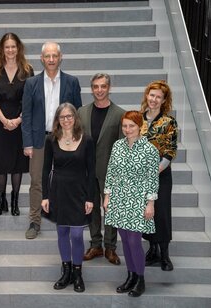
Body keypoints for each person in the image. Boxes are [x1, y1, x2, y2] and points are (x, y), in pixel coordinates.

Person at [21, 41, 82, 239]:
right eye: (47, 56)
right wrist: (27, 143)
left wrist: (77, 139)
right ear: (42, 59)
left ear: (60, 57)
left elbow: (78, 113)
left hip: (64, 138)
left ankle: (66, 217)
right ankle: (34, 221)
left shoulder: (72, 82)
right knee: (37, 181)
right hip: (40, 139)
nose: (51, 59)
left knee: (67, 179)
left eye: (54, 55)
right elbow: (27, 115)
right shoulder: (32, 83)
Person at [104, 110, 159, 297]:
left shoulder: (150, 150)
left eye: (132, 126)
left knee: (134, 240)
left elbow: (153, 179)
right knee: (125, 241)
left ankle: (140, 279)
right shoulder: (117, 146)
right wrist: (107, 196)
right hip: (119, 199)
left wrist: (150, 203)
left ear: (140, 126)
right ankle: (131, 276)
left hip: (139, 200)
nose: (128, 129)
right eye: (125, 126)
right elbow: (111, 172)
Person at [41, 103, 95, 293]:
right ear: (58, 120)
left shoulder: (87, 140)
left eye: (69, 116)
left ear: (75, 118)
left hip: (79, 191)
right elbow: (46, 169)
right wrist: (45, 196)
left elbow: (91, 170)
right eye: (62, 117)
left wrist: (90, 198)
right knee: (62, 232)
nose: (66, 120)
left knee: (77, 234)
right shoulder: (51, 139)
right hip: (58, 191)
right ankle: (66, 271)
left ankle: (78, 273)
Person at [78, 73, 125, 265]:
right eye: (96, 86)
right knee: (92, 208)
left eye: (103, 86)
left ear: (109, 88)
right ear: (92, 89)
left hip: (109, 170)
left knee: (110, 210)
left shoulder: (119, 114)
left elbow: (122, 146)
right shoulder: (82, 112)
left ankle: (110, 248)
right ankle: (96, 244)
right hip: (88, 171)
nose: (99, 90)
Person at [0, 32, 33, 216]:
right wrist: (4, 120)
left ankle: (14, 201)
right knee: (1, 163)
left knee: (17, 164)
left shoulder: (27, 70)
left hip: (21, 122)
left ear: (18, 48)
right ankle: (1, 200)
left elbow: (30, 98)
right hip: (0, 122)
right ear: (2, 49)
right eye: (7, 47)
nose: (10, 50)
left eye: (13, 46)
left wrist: (18, 120)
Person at [139, 80, 178, 271]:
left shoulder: (169, 122)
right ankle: (152, 250)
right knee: (147, 214)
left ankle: (164, 254)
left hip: (160, 174)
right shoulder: (138, 119)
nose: (154, 99)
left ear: (164, 101)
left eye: (158, 97)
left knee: (161, 213)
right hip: (139, 176)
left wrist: (153, 172)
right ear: (147, 96)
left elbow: (170, 152)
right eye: (151, 95)